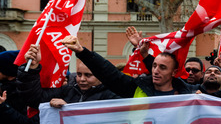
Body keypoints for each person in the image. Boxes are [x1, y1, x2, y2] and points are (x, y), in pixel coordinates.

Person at [62, 36, 195, 97]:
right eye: (154, 66)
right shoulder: (137, 88)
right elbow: (109, 73)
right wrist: (82, 52)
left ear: (174, 72)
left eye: (163, 67)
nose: (155, 71)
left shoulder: (189, 94)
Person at [17, 44, 119, 108]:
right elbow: (34, 99)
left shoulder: (111, 96)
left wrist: (69, 110)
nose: (82, 79)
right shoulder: (67, 90)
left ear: (101, 76)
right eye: (79, 74)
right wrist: (32, 69)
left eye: (88, 75)